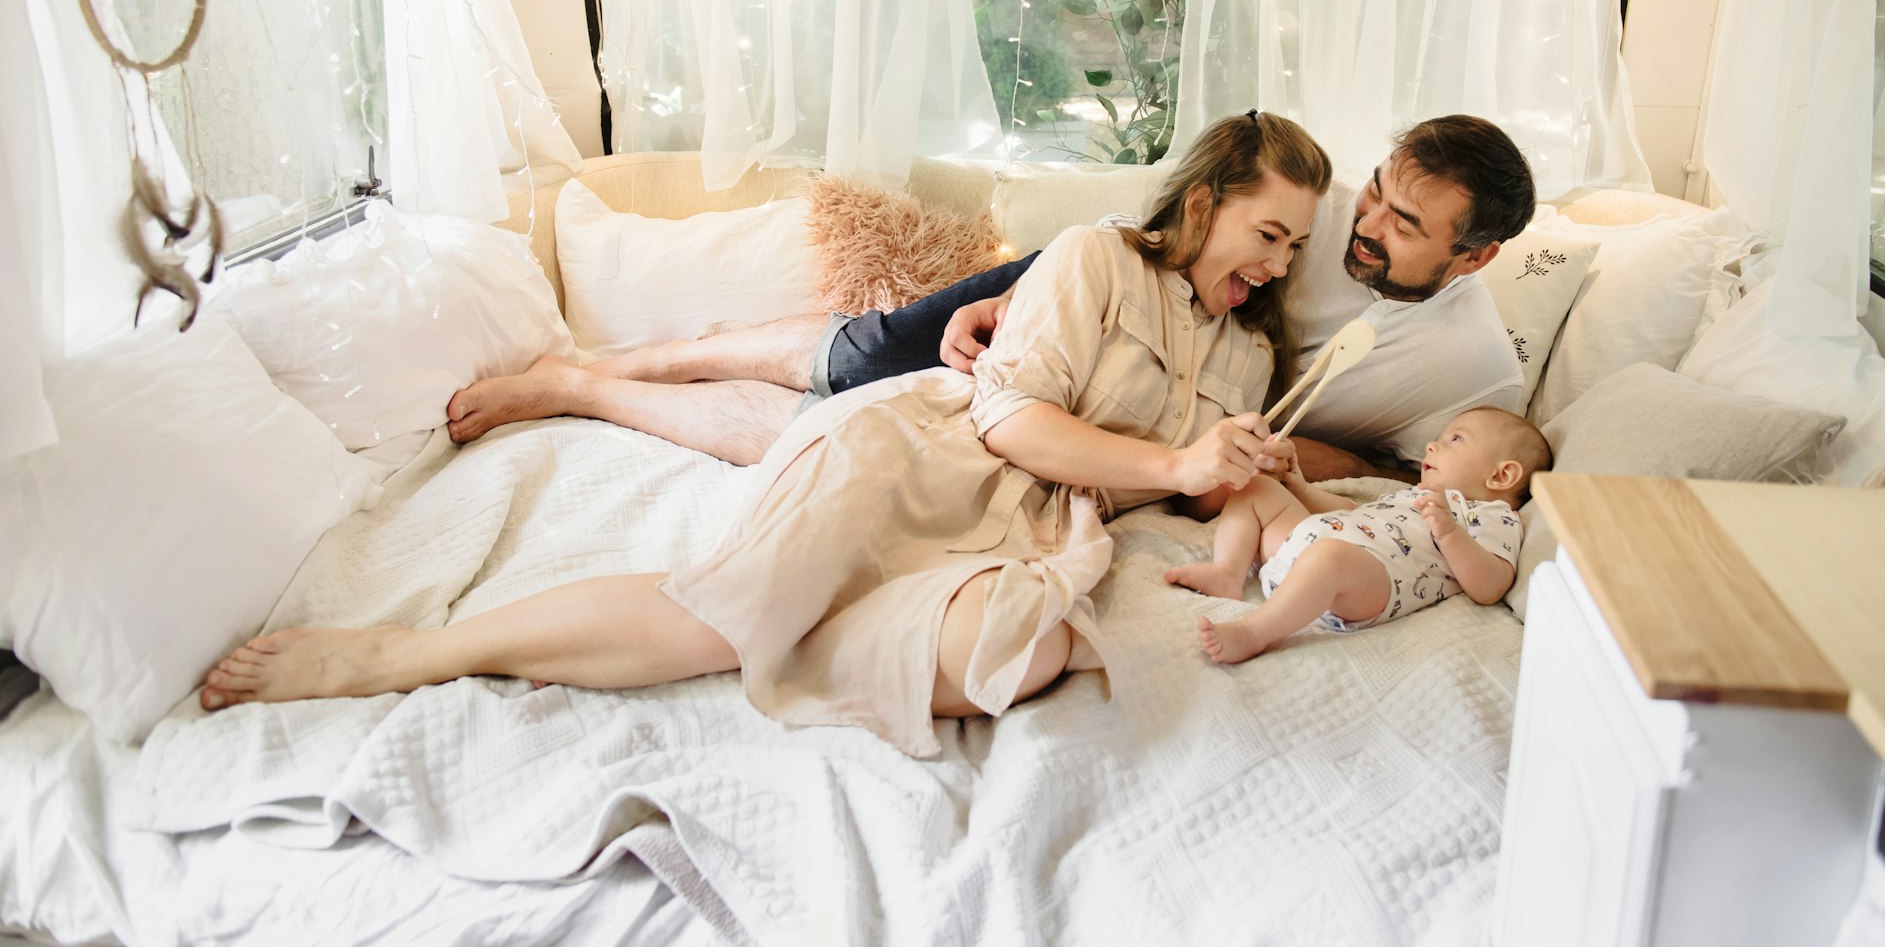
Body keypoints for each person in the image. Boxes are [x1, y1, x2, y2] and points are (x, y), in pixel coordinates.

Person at [200, 114, 1335, 757]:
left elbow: (1203, 491)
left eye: (1294, 250)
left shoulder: (1246, 360)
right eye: (1267, 234)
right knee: (722, 604)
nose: (1277, 265)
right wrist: (1178, 464)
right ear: (1203, 203)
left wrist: (1239, 480)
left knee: (1025, 654)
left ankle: (779, 630)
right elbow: (1009, 415)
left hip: (1036, 532)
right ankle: (401, 654)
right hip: (930, 456)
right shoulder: (1093, 257)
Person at [443, 115, 1536, 486]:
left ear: (1473, 259)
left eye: (1402, 228)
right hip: (1082, 291)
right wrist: (1013, 295)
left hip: (1161, 378)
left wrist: (1270, 454)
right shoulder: (1316, 196)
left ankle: (591, 384)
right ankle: (626, 362)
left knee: (821, 415)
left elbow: (1415, 470)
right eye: (1379, 194)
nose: (1362, 228)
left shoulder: (1469, 371)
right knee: (855, 353)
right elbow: (1176, 233)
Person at [1170, 406, 1550, 665]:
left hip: (1367, 582)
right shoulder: (1416, 495)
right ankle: (1228, 572)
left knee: (1330, 558)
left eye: (1456, 440)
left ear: (1502, 476)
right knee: (1257, 488)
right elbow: (1352, 514)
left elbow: (1491, 585)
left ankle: (1255, 631)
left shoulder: (1490, 515)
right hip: (1315, 545)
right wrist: (1298, 487)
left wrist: (1450, 532)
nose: (1432, 445)